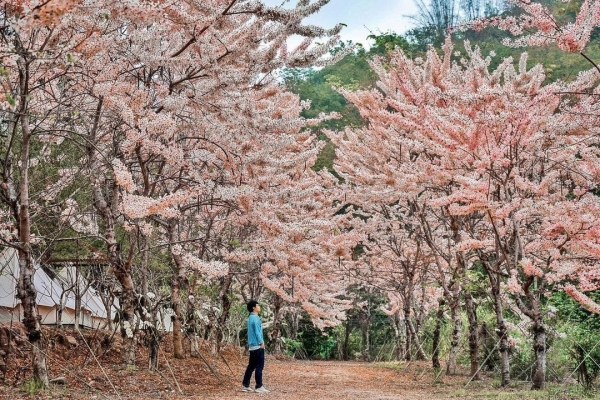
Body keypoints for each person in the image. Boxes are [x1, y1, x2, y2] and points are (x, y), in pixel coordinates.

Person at [242, 300, 269, 393]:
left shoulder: (250, 318)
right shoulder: (256, 318)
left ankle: (245, 385)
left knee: (251, 366)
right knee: (259, 366)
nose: (259, 307)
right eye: (258, 305)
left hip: (252, 345)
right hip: (257, 345)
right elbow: (257, 332)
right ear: (254, 307)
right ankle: (259, 386)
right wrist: (261, 342)